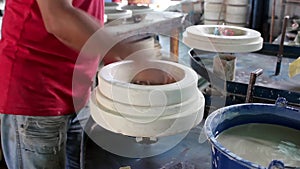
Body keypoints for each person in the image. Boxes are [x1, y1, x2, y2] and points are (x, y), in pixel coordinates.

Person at [0, 0, 129, 168]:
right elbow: (57, 17)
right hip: (37, 95)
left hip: (79, 90)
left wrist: (112, 59)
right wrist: (129, 53)